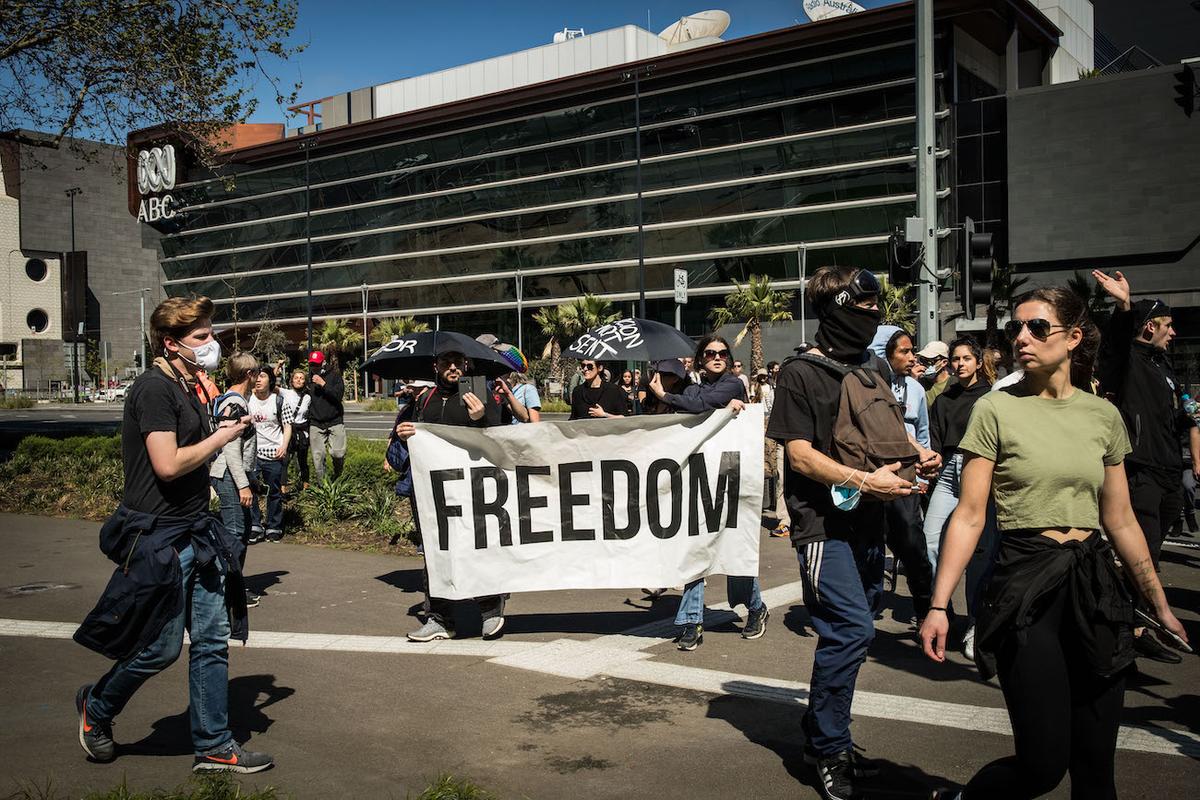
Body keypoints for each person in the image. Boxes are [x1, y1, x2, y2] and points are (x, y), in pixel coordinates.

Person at [919, 287, 1189, 800]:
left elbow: (1123, 520)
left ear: (1073, 338)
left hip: (1095, 587)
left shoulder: (1102, 416)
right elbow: (970, 515)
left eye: (1037, 327)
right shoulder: (995, 411)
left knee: (1095, 771)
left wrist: (1159, 604)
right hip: (1026, 585)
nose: (1021, 337)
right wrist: (939, 605)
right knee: (1042, 765)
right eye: (1015, 329)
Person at [73, 296, 273, 773]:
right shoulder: (153, 390)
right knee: (160, 648)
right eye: (201, 337)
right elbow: (167, 465)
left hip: (195, 531)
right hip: (158, 536)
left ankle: (214, 745)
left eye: (211, 333)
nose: (212, 344)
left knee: (210, 640)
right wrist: (222, 438)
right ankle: (97, 708)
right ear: (171, 343)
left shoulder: (189, 385)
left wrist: (220, 420)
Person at [766, 266, 940, 800]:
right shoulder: (798, 372)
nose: (873, 320)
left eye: (876, 312)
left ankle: (822, 733)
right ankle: (829, 747)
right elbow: (797, 454)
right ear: (834, 310)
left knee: (857, 625)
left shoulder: (875, 367)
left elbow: (883, 436)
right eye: (862, 311)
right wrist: (865, 480)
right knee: (851, 631)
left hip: (872, 521)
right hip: (823, 525)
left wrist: (916, 458)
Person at [1093, 269, 1200, 664]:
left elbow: (1179, 416)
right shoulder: (1128, 361)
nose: (1173, 334)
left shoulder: (1163, 366)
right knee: (1140, 555)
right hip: (1139, 472)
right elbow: (1114, 346)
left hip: (1171, 472)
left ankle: (1137, 627)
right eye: (1167, 326)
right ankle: (1126, 637)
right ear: (1150, 326)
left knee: (1150, 557)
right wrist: (1123, 306)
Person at [648, 335, 767, 650]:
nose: (717, 357)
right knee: (694, 548)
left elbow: (700, 405)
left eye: (723, 353)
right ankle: (691, 621)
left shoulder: (732, 386)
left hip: (728, 475)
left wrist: (666, 394)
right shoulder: (692, 388)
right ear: (700, 359)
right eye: (711, 353)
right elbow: (691, 401)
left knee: (731, 548)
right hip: (696, 476)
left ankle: (755, 607)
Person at [395, 350, 507, 641]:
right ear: (436, 366)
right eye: (446, 363)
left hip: (471, 488)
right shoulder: (424, 399)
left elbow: (498, 435)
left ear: (466, 365)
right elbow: (406, 435)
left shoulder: (479, 391)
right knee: (435, 551)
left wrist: (481, 417)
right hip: (433, 491)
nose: (453, 368)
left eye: (458, 363)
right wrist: (405, 433)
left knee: (475, 546)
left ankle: (490, 608)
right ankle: (439, 618)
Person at [924, 336, 996, 658]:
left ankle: (975, 624)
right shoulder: (943, 399)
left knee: (980, 554)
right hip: (949, 471)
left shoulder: (992, 397)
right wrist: (931, 464)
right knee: (930, 541)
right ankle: (943, 612)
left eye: (967, 358)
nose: (960, 364)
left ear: (978, 362)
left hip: (979, 468)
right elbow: (936, 443)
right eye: (955, 359)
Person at [868, 327, 935, 621]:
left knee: (912, 544)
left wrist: (921, 477)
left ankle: (926, 608)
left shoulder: (918, 390)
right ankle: (866, 614)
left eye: (913, 351)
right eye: (904, 352)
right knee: (870, 548)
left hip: (907, 481)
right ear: (885, 354)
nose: (912, 358)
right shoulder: (868, 387)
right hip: (873, 476)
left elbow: (922, 434)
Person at [209, 353, 260, 605]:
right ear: (248, 374)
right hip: (229, 474)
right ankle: (226, 591)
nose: (259, 377)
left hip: (234, 474)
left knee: (241, 531)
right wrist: (243, 485)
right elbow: (230, 449)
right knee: (234, 533)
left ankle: (233, 586)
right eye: (257, 373)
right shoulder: (234, 403)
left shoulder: (237, 401)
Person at [248, 366, 295, 543]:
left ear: (270, 380)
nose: (258, 380)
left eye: (262, 376)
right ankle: (254, 525)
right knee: (250, 490)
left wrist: (284, 446)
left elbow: (287, 425)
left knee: (274, 492)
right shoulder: (247, 399)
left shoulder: (279, 400)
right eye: (256, 376)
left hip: (274, 453)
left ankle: (273, 526)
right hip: (251, 454)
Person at [306, 350, 346, 483]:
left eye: (317, 364)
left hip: (335, 420)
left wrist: (323, 384)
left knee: (338, 453)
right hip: (316, 422)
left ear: (323, 363)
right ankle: (323, 486)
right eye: (312, 364)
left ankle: (338, 476)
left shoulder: (335, 376)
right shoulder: (307, 379)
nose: (314, 367)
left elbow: (338, 396)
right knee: (318, 458)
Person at [281, 368, 312, 491]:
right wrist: (278, 368)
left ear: (305, 381)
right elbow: (271, 385)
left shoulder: (308, 398)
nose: (299, 380)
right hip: (289, 431)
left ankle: (306, 487)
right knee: (285, 460)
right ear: (291, 381)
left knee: (303, 460)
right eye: (296, 378)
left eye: (302, 378)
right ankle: (282, 489)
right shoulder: (285, 393)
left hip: (302, 431)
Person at [917, 341, 951, 405]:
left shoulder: (954, 384)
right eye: (922, 360)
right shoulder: (920, 383)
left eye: (930, 361)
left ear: (944, 362)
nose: (925, 364)